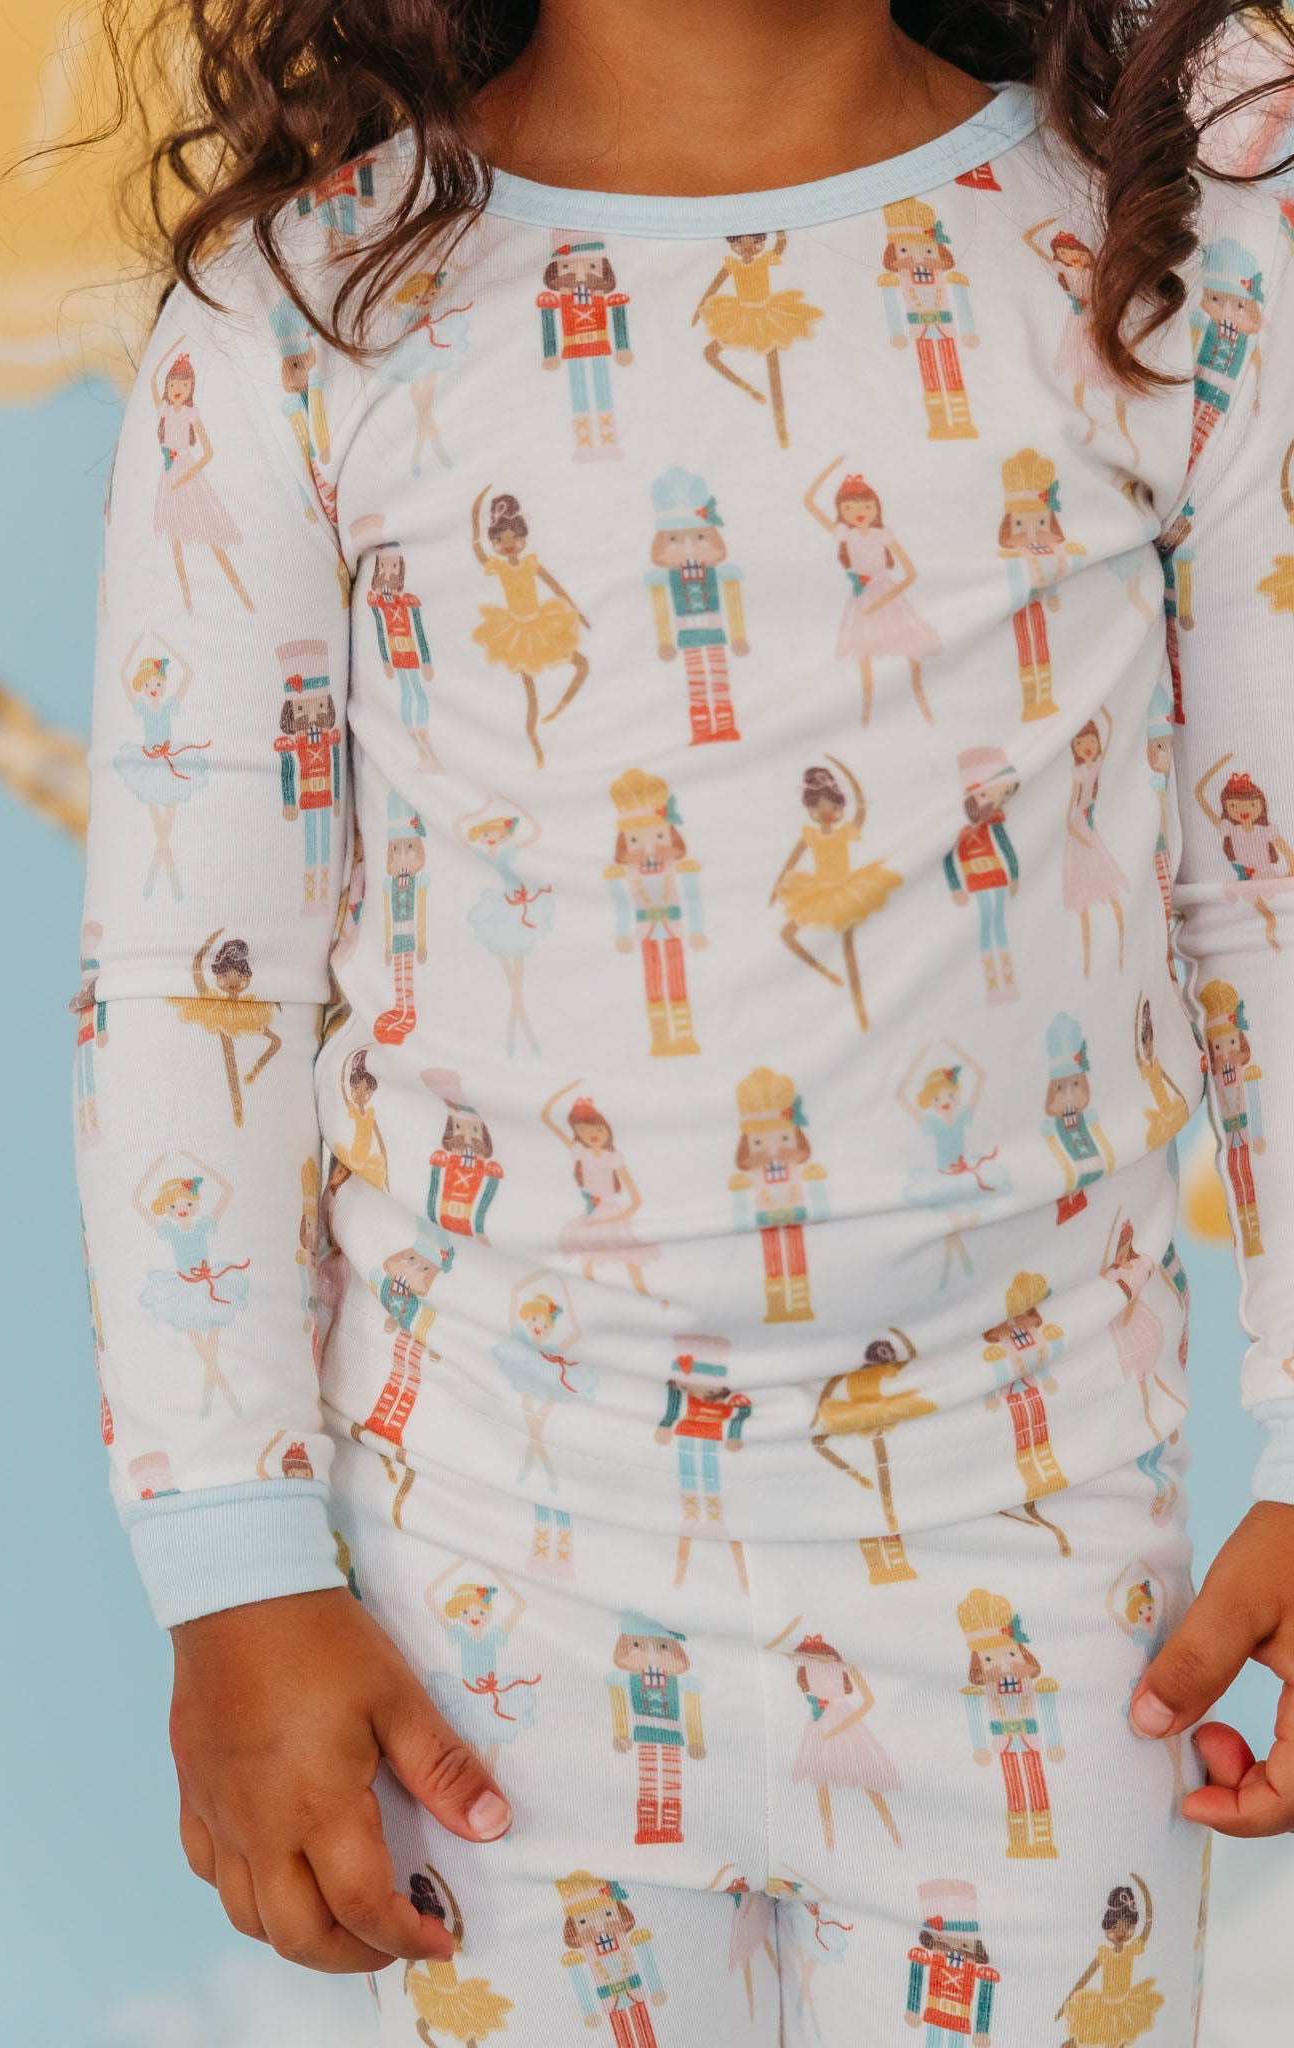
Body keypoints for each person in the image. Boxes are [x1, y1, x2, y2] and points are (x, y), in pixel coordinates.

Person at [68, 3, 1294, 2041]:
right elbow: (198, 971)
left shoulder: (1169, 254)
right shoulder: (303, 309)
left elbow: (1270, 899)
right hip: (488, 1589)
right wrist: (230, 1552)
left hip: (1039, 1553)